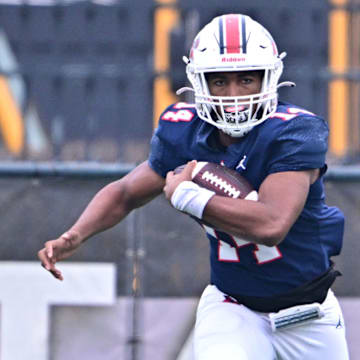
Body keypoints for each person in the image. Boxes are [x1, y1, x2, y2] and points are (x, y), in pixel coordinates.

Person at [38, 14, 349, 359]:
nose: (233, 95)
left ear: (269, 78)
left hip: (310, 314)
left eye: (246, 79)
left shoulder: (293, 132)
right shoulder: (185, 132)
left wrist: (189, 196)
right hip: (234, 307)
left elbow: (272, 225)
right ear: (198, 84)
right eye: (219, 82)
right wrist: (77, 234)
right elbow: (125, 192)